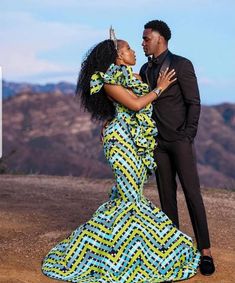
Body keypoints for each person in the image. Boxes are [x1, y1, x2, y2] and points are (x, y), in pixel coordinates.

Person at [41, 34, 200, 282]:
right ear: (117, 56)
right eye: (127, 49)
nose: (134, 51)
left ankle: (134, 249)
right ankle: (120, 253)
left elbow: (139, 100)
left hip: (136, 142)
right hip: (120, 142)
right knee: (129, 198)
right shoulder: (108, 80)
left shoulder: (134, 77)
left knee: (132, 193)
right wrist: (160, 88)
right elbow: (135, 104)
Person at [140, 20, 215, 276]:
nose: (143, 43)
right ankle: (174, 249)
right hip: (157, 144)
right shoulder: (145, 68)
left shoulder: (181, 65)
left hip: (180, 141)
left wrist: (188, 135)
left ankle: (205, 251)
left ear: (160, 39)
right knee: (166, 195)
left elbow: (194, 102)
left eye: (146, 38)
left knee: (193, 194)